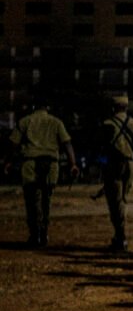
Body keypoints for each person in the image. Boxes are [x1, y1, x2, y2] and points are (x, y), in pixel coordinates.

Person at [7, 92, 79, 247]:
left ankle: (34, 234)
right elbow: (67, 144)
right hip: (51, 165)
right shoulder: (56, 122)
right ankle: (44, 232)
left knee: (31, 201)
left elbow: (13, 145)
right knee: (46, 199)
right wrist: (73, 164)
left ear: (33, 106)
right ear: (47, 107)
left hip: (30, 164)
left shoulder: (25, 121)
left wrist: (8, 162)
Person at [100, 95, 133, 252]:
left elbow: (103, 147)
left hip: (115, 164)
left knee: (116, 202)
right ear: (126, 107)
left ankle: (121, 237)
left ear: (113, 108)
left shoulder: (107, 124)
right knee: (123, 200)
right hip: (131, 165)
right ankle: (120, 236)